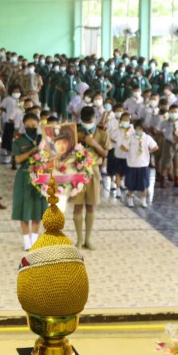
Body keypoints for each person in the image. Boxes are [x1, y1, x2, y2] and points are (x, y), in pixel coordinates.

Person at [71, 106, 110, 250]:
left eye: (90, 120)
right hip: (77, 170)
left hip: (93, 170)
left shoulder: (102, 132)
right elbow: (64, 149)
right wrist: (78, 140)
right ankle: (79, 239)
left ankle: (88, 239)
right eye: (85, 121)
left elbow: (105, 154)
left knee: (91, 205)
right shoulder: (75, 131)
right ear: (80, 119)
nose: (88, 123)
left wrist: (94, 144)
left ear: (95, 118)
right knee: (77, 205)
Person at [11, 113, 47, 251]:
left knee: (38, 208)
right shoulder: (18, 141)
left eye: (34, 125)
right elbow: (17, 159)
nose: (31, 127)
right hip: (25, 175)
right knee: (24, 208)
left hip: (40, 176)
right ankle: (27, 241)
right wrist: (32, 152)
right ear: (24, 125)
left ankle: (34, 240)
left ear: (38, 125)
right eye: (28, 125)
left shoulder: (42, 139)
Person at [120, 120, 158, 208]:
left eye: (140, 128)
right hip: (132, 164)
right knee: (131, 184)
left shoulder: (147, 138)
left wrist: (148, 152)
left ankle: (143, 200)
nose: (138, 130)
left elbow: (155, 147)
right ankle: (130, 199)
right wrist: (127, 150)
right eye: (137, 128)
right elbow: (122, 146)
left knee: (144, 185)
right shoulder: (131, 137)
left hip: (143, 165)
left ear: (144, 129)